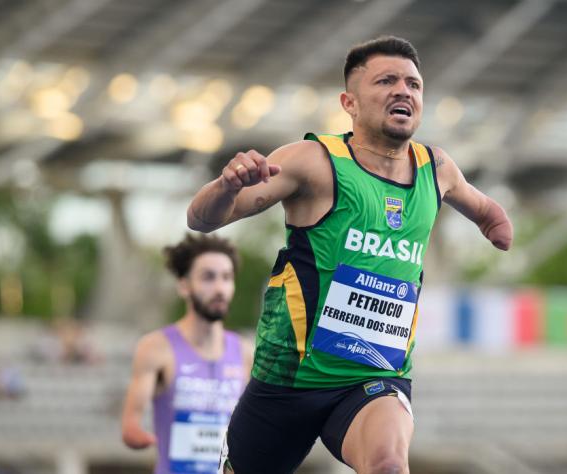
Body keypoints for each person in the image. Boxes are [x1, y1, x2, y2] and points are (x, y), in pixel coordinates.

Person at [188, 36, 513, 474]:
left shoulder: (435, 169)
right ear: (350, 102)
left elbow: (484, 207)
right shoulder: (312, 162)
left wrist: (495, 226)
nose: (404, 91)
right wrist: (227, 185)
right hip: (287, 379)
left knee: (388, 465)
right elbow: (202, 219)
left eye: (414, 85)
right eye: (387, 81)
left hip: (372, 378)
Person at [121, 234, 252, 474]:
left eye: (227, 277)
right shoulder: (155, 348)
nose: (220, 288)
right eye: (208, 277)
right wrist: (139, 436)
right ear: (183, 285)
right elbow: (130, 425)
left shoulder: (245, 352)